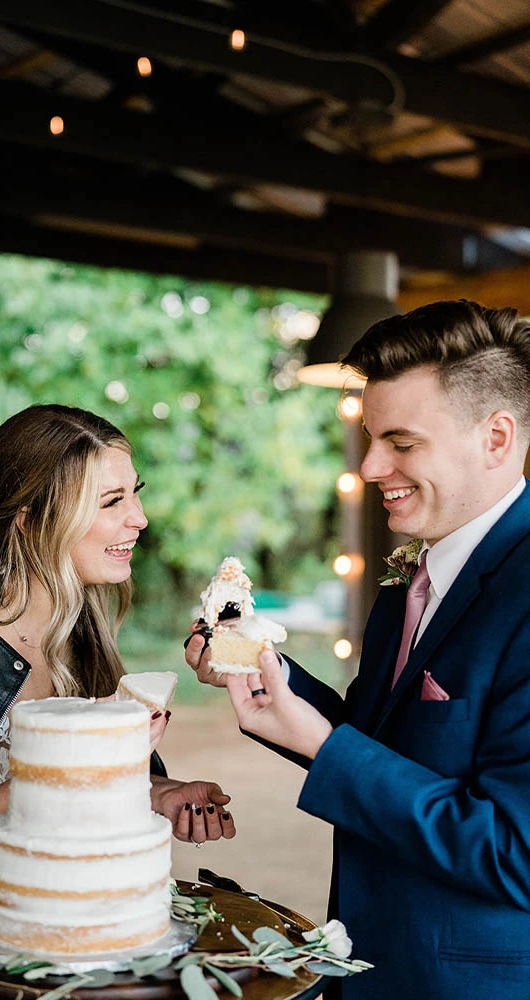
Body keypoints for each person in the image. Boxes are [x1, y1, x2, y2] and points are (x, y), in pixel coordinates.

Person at [186, 300, 530, 999]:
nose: (371, 466)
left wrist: (324, 747)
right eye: (372, 439)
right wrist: (266, 672)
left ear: (496, 438)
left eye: (402, 443)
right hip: (367, 962)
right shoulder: (413, 578)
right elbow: (385, 745)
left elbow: (514, 850)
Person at [0, 404, 235, 945]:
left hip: (55, 943)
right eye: (112, 501)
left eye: (135, 493)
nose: (140, 518)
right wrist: (64, 764)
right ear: (30, 520)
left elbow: (80, 799)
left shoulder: (81, 633)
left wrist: (154, 791)